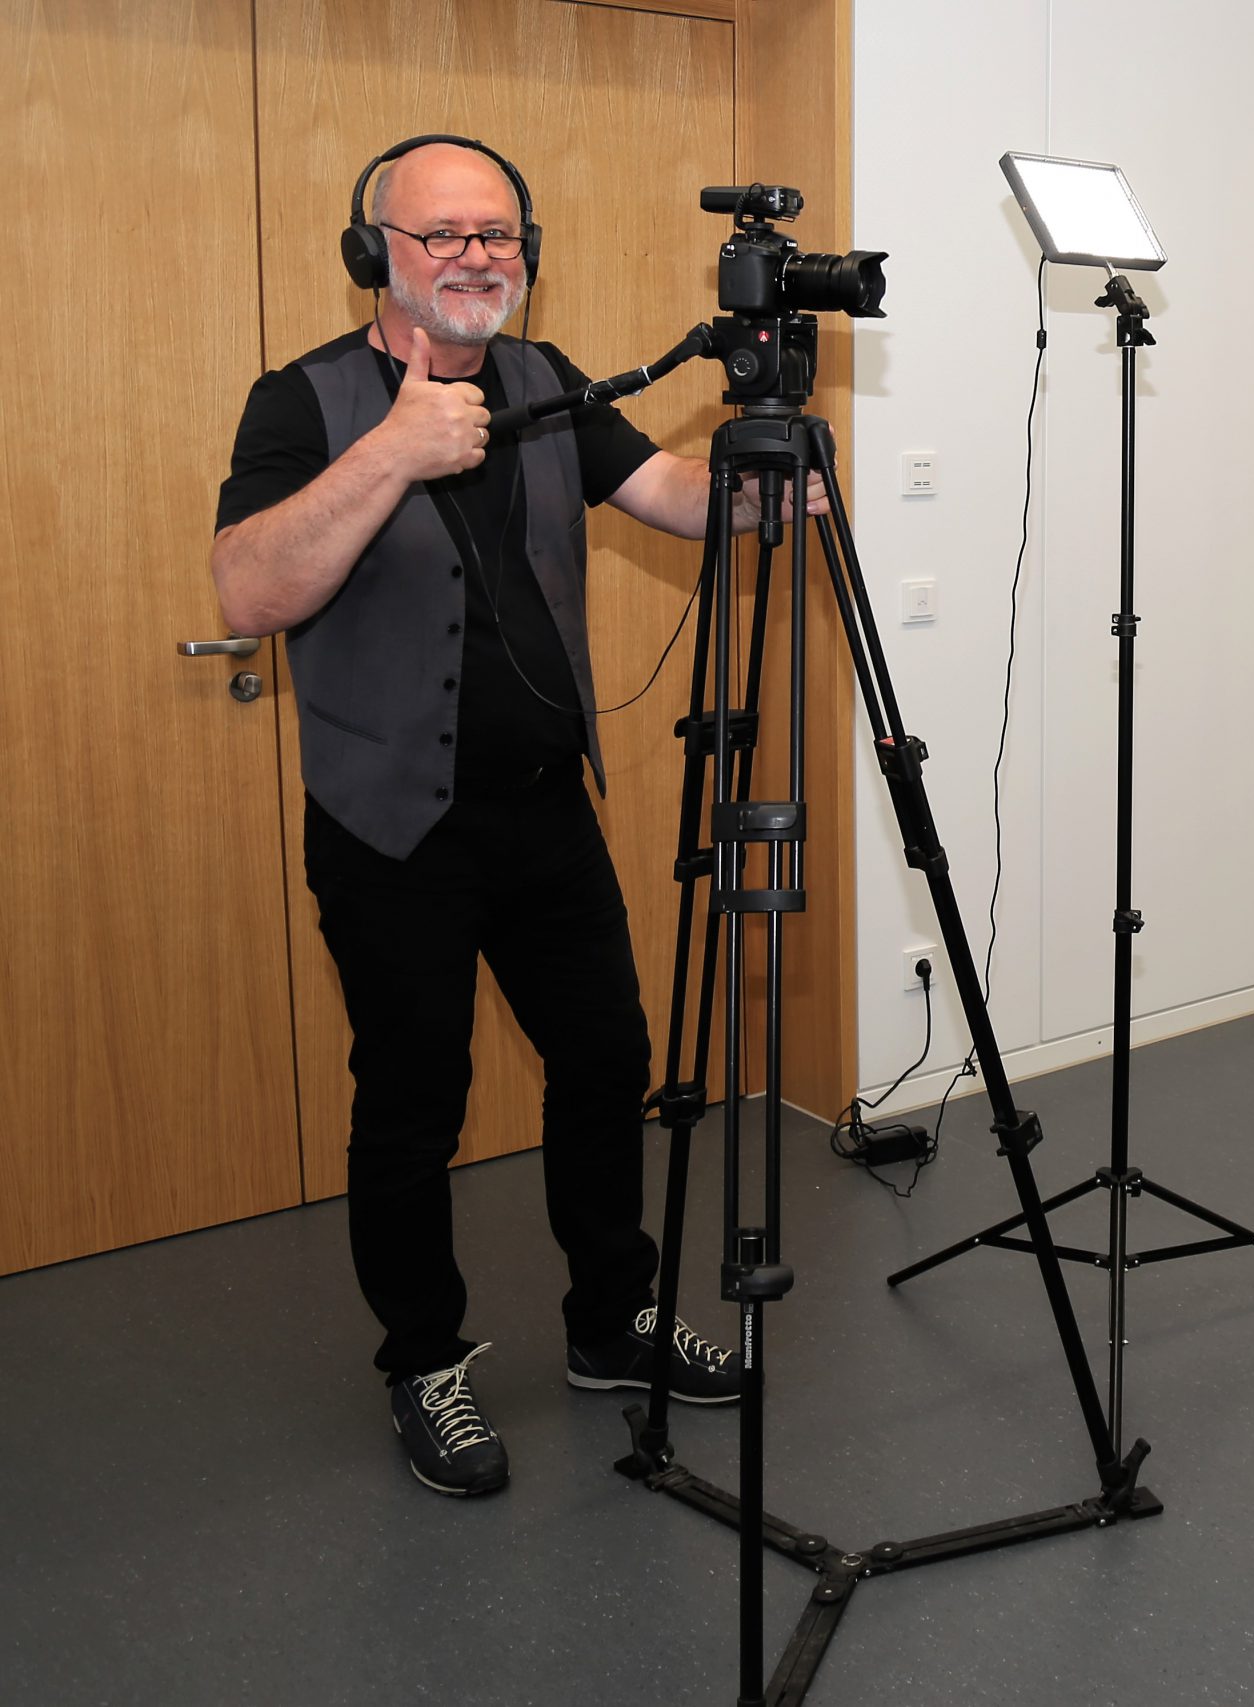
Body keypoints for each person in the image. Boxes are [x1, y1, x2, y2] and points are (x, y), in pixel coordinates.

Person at [210, 138, 809, 1497]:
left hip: (545, 815)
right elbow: (248, 592)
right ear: (375, 253)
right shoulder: (301, 400)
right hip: (390, 829)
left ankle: (611, 1322)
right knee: (412, 1103)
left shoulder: (542, 380)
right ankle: (424, 1359)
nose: (476, 256)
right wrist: (390, 453)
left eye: (497, 233)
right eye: (443, 234)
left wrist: (765, 482)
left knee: (606, 1060)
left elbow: (663, 492)